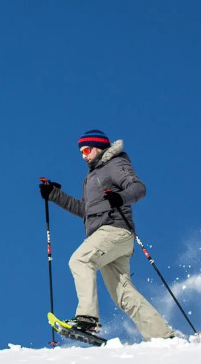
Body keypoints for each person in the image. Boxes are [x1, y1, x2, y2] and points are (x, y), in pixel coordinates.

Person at [39, 130, 177, 342]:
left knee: (80, 260)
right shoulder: (91, 177)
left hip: (115, 230)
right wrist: (54, 195)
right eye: (81, 152)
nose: (83, 156)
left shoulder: (115, 163)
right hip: (106, 237)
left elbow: (138, 188)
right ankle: (163, 337)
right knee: (123, 294)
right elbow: (85, 210)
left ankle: (86, 319)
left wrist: (120, 197)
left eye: (86, 150)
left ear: (99, 147)